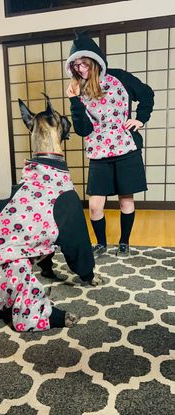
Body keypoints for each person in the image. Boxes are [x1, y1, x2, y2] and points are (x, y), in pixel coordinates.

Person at [65, 33, 154, 258]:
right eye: (75, 65)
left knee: (126, 201)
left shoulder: (119, 78)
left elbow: (146, 94)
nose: (80, 69)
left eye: (83, 63)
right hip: (99, 152)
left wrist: (140, 119)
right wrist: (74, 101)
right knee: (95, 206)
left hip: (126, 150)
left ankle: (124, 242)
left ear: (94, 61)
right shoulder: (78, 89)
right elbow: (83, 130)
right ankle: (102, 244)